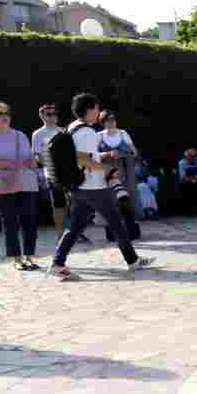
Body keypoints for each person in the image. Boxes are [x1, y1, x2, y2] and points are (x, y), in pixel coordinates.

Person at [48, 93, 155, 280]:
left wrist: (101, 157)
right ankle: (133, 261)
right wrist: (105, 168)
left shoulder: (73, 127)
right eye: (96, 108)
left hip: (79, 186)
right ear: (89, 109)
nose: (98, 112)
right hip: (94, 186)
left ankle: (57, 263)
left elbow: (85, 156)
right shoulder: (87, 132)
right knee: (116, 222)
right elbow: (82, 157)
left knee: (75, 226)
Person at [0, 101, 41, 270]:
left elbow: (29, 162)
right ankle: (16, 259)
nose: (4, 116)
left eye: (7, 113)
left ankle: (29, 256)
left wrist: (35, 161)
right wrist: (8, 164)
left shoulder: (20, 135)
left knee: (29, 221)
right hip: (2, 183)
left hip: (25, 182)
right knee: (10, 222)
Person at [98, 111, 141, 242]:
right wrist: (108, 154)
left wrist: (124, 152)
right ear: (102, 122)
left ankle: (131, 232)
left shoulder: (123, 134)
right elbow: (92, 155)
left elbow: (134, 152)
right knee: (111, 201)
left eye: (113, 119)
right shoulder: (98, 136)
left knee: (128, 199)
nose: (111, 122)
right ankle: (113, 234)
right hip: (108, 172)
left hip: (125, 172)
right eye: (107, 120)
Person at [31, 103, 68, 233]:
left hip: (68, 172)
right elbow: (37, 155)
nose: (53, 116)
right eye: (49, 114)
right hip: (52, 173)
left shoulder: (64, 130)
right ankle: (61, 233)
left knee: (73, 203)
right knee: (58, 204)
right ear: (42, 116)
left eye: (55, 114)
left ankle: (74, 231)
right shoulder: (38, 134)